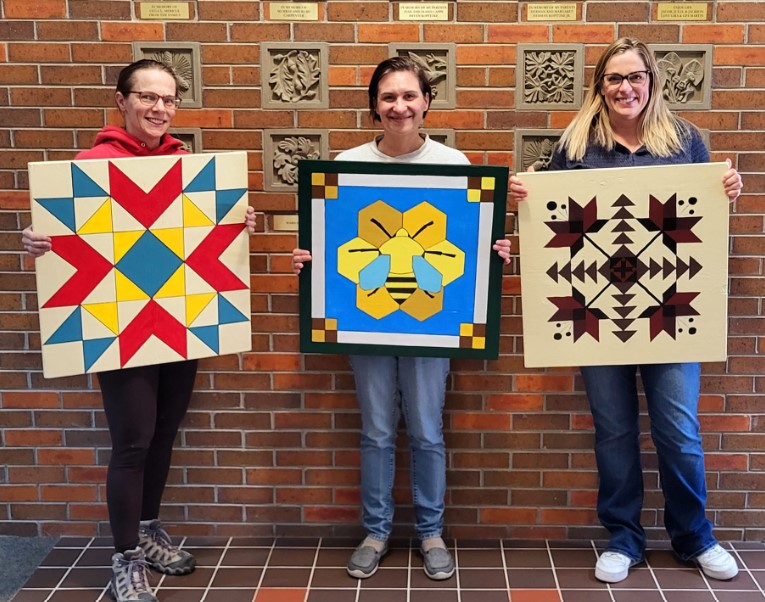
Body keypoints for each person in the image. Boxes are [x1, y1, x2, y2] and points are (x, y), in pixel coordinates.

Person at [509, 38, 743, 584]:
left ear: (652, 81)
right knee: (613, 430)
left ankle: (694, 537)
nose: (625, 88)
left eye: (634, 77)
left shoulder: (686, 141)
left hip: (672, 308)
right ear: (600, 86)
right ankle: (623, 538)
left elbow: (703, 230)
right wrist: (527, 193)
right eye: (614, 79)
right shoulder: (576, 144)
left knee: (678, 430)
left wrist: (725, 190)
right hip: (594, 315)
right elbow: (554, 227)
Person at [22, 59, 257, 602]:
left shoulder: (183, 164)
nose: (159, 108)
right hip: (116, 325)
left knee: (164, 432)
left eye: (169, 100)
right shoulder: (91, 165)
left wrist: (233, 224)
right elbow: (58, 238)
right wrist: (38, 239)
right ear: (122, 101)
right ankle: (125, 558)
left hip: (181, 316)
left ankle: (149, 532)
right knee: (132, 441)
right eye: (147, 97)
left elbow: (203, 241)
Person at [292, 56, 511, 581]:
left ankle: (431, 532)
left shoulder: (454, 165)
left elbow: (462, 247)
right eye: (388, 97)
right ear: (374, 106)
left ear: (427, 102)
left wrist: (492, 253)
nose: (399, 106)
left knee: (428, 431)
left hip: (431, 322)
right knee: (376, 432)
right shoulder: (345, 165)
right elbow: (338, 244)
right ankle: (377, 531)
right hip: (365, 319)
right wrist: (311, 261)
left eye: (409, 95)